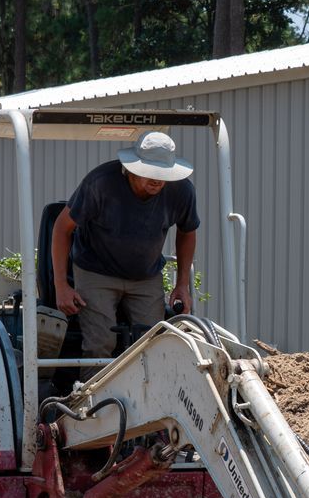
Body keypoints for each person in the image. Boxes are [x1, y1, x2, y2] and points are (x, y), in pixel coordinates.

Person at [51, 131, 200, 355]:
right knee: (101, 343)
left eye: (162, 173)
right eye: (150, 172)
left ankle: (149, 390)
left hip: (146, 275)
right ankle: (93, 390)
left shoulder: (182, 191)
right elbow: (62, 228)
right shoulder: (100, 183)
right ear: (132, 168)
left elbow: (187, 232)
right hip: (96, 271)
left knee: (154, 343)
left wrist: (182, 285)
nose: (157, 179)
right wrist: (61, 286)